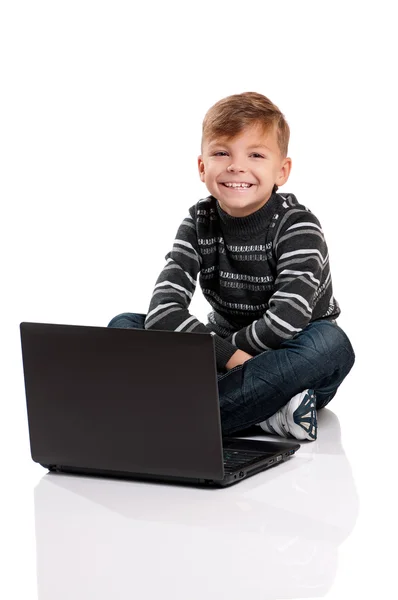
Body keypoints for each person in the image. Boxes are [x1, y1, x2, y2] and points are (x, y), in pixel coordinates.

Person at [108, 91, 355, 441]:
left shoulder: (298, 225)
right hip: (224, 351)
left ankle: (172, 422)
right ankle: (269, 414)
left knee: (332, 343)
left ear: (281, 171)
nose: (237, 166)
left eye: (255, 154)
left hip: (290, 357)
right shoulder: (198, 222)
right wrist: (228, 356)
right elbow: (163, 310)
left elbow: (288, 319)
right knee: (125, 326)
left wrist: (225, 359)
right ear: (202, 166)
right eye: (222, 153)